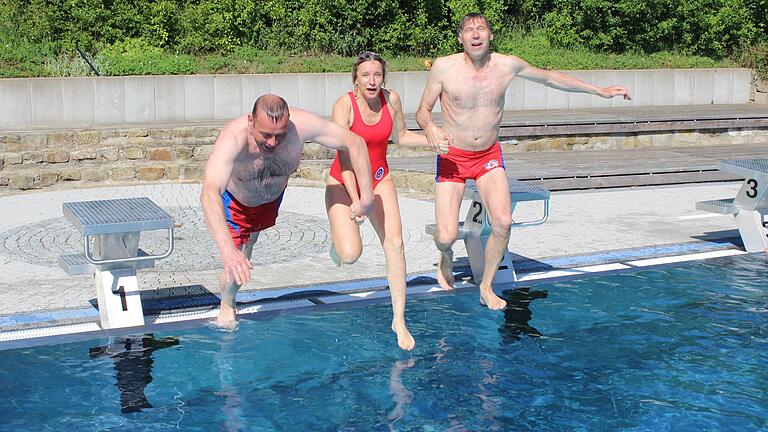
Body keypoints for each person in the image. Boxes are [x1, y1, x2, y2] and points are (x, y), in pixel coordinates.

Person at [416, 13, 632, 310]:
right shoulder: (444, 67)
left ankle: (487, 287)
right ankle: (446, 255)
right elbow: (423, 111)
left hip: (488, 156)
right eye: (469, 30)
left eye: (482, 29)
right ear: (460, 38)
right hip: (452, 157)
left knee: (503, 223)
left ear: (491, 36)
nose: (476, 34)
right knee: (446, 235)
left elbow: (550, 77)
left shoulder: (507, 65)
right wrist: (431, 129)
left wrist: (600, 90)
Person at [201, 94, 375, 327]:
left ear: (289, 120)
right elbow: (209, 192)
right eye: (266, 135)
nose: (273, 143)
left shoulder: (301, 126)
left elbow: (355, 143)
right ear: (251, 121)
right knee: (238, 261)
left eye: (279, 135)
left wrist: (367, 196)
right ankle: (228, 304)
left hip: (270, 201)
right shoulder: (233, 138)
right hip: (237, 203)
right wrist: (226, 250)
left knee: (249, 246)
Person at [325, 52, 450, 351]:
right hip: (345, 182)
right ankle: (338, 243)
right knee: (350, 254)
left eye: (377, 75)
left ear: (384, 77)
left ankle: (399, 319)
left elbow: (402, 135)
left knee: (395, 244)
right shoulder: (344, 106)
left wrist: (435, 141)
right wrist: (359, 202)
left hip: (380, 177)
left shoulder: (390, 99)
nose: (372, 81)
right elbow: (345, 159)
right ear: (355, 78)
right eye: (366, 75)